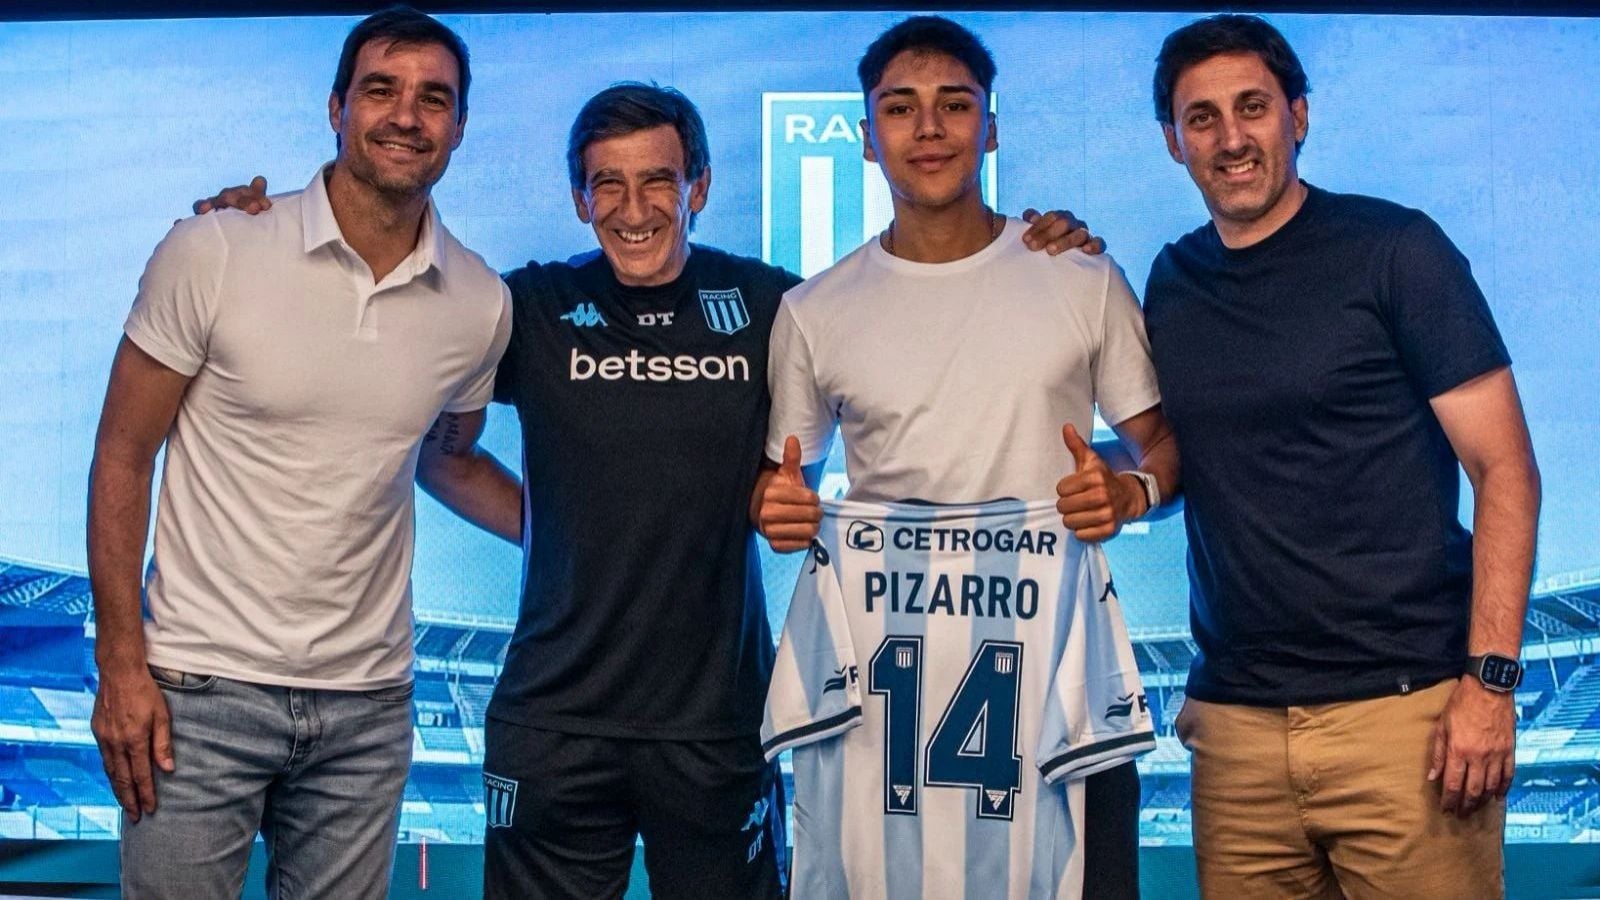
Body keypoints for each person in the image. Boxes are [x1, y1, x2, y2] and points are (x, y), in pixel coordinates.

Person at [198, 79, 1094, 897]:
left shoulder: (773, 307)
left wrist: (1029, 249)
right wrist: (260, 237)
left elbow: (919, 312)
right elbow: (442, 451)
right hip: (555, 719)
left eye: (658, 181)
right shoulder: (529, 308)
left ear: (698, 186)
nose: (634, 210)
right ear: (579, 198)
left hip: (716, 722)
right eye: (608, 186)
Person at [88, 8, 514, 898]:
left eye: (434, 99)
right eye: (381, 90)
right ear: (335, 107)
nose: (407, 116)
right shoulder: (216, 248)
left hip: (367, 707)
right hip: (198, 690)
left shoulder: (478, 303)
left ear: (462, 126)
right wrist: (121, 666)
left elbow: (446, 457)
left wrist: (593, 535)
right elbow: (124, 454)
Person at [756, 16, 1179, 899]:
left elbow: (1166, 449)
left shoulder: (1080, 276)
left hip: (1059, 682)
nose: (929, 128)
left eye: (954, 105)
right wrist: (779, 510)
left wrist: (1133, 492)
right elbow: (785, 484)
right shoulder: (815, 310)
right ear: (866, 137)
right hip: (889, 701)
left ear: (991, 128)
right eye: (899, 108)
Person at [1144, 14, 1541, 898]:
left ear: (1299, 115)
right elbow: (1181, 454)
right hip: (1236, 735)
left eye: (1253, 107)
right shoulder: (1172, 281)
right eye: (1202, 117)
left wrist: (1490, 684)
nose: (1231, 137)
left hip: (1407, 721)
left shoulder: (1396, 250)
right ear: (1174, 141)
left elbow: (1505, 470)